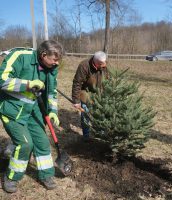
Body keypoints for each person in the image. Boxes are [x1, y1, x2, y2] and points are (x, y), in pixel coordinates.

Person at [0, 40, 64, 193]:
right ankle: (11, 177)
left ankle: (46, 175)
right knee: (25, 144)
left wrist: (53, 111)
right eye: (55, 59)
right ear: (43, 55)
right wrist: (27, 84)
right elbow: (2, 80)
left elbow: (51, 92)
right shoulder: (21, 56)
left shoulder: (51, 68)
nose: (57, 63)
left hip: (34, 111)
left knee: (42, 142)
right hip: (13, 110)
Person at [72, 51, 108, 141]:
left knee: (101, 115)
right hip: (87, 92)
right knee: (86, 114)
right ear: (96, 62)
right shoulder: (84, 66)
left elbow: (110, 78)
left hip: (101, 93)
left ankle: (101, 136)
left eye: (105, 63)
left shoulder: (104, 64)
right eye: (101, 64)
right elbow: (77, 83)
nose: (104, 66)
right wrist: (76, 101)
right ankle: (86, 136)